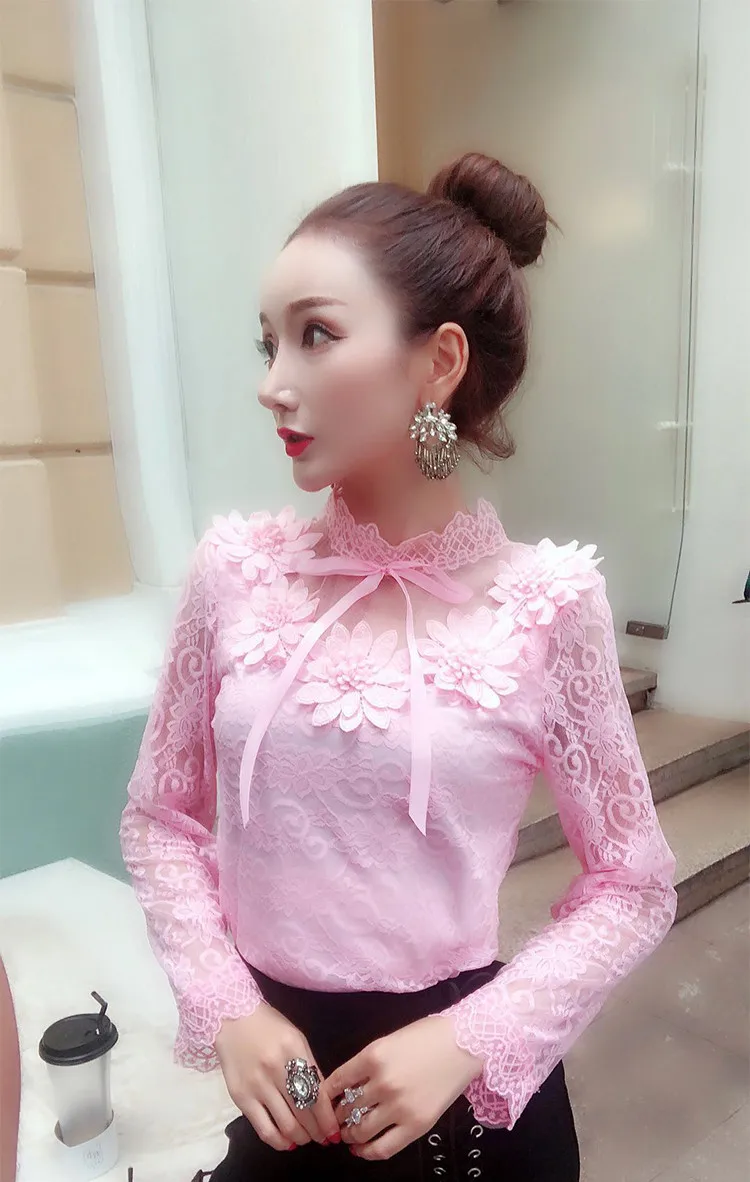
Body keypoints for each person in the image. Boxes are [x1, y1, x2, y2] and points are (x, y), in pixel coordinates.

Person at [120, 152, 677, 1181]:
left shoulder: (547, 605)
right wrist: (227, 1004)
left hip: (462, 1110)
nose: (272, 383)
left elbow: (633, 883)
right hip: (285, 1097)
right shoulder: (235, 573)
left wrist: (471, 1036)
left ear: (438, 362)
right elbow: (161, 817)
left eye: (316, 335)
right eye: (269, 342)